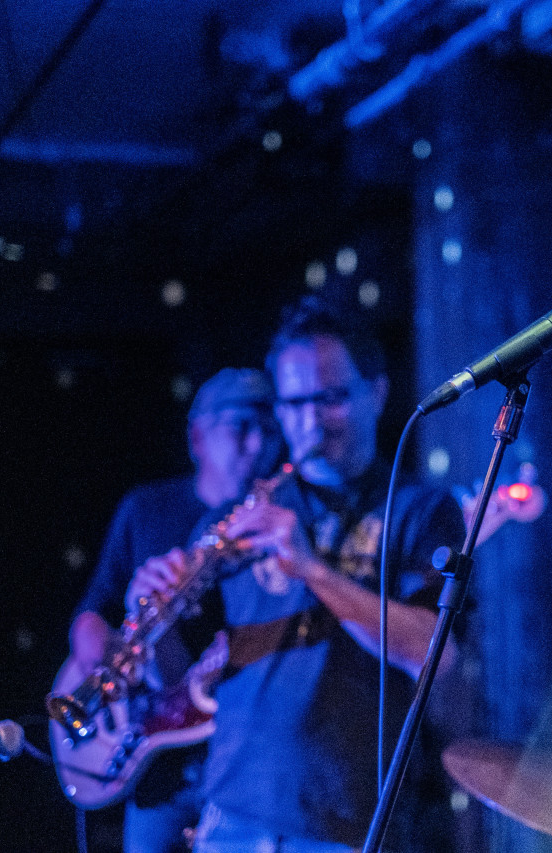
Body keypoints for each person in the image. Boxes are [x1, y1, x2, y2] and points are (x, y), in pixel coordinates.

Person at [126, 299, 467, 853]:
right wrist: (153, 618)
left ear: (376, 393)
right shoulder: (239, 517)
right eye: (294, 404)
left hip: (345, 822)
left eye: (330, 399)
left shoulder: (420, 509)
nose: (310, 423)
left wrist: (309, 568)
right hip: (230, 815)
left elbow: (434, 652)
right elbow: (175, 680)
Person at [69, 367, 284, 853]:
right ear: (197, 437)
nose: (258, 447)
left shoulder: (282, 521)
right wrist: (107, 679)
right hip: (157, 762)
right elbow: (91, 616)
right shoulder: (146, 508)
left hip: (244, 762)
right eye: (241, 427)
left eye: (270, 431)